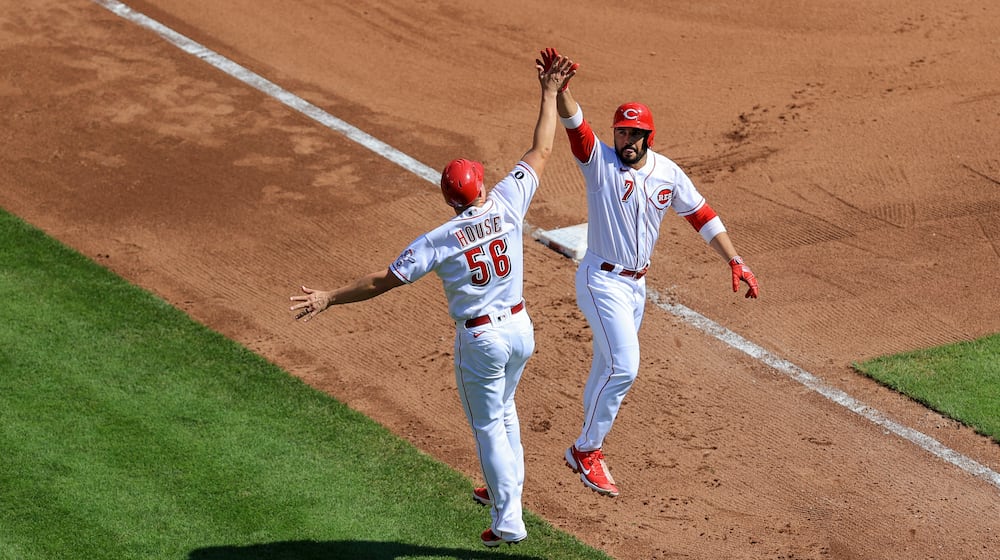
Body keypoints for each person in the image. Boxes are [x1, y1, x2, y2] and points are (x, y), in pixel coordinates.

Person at [289, 53, 577, 547]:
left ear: (448, 200)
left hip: (482, 339)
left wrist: (330, 298)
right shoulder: (508, 200)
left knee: (488, 425)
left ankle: (509, 521)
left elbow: (384, 279)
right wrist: (549, 93)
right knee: (505, 412)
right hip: (521, 329)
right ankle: (504, 494)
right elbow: (543, 149)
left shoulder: (440, 238)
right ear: (481, 185)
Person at [539, 48, 760, 498]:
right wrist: (562, 92)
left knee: (607, 366)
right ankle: (586, 451)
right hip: (600, 281)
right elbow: (576, 126)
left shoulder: (668, 174)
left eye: (634, 133)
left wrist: (735, 260)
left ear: (648, 136)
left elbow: (702, 215)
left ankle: (586, 441)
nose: (626, 140)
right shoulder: (599, 164)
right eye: (621, 131)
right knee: (625, 366)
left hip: (637, 287)